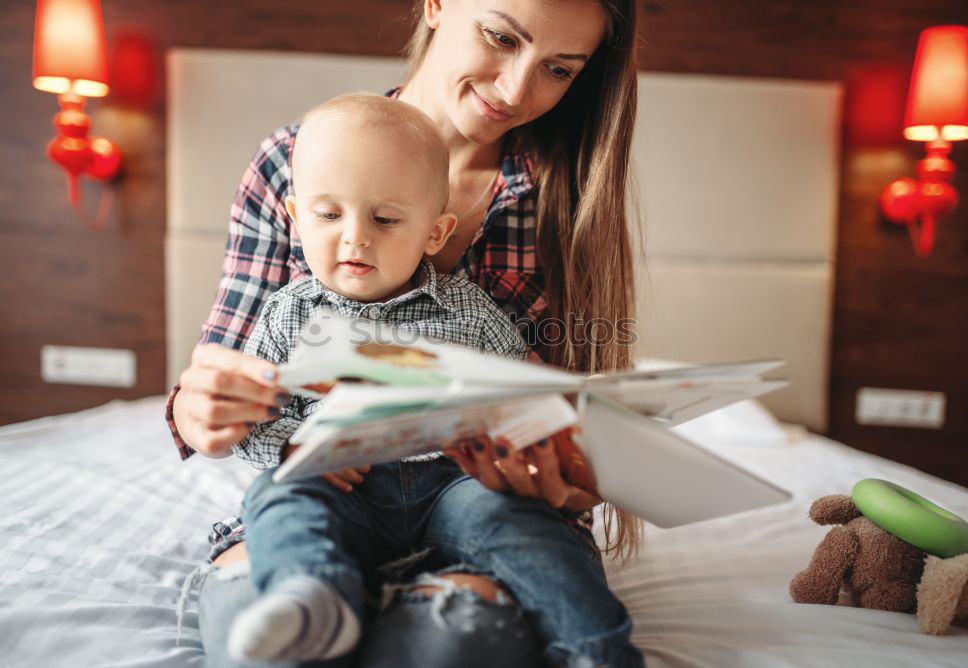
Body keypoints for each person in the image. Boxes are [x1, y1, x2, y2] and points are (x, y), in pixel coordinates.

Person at [169, 1, 645, 665]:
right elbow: (229, 380)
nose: (514, 88)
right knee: (265, 622)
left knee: (457, 634)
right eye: (501, 36)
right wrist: (206, 410)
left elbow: (546, 410)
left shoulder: (568, 197)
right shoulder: (297, 161)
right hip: (330, 490)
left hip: (465, 495)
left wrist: (558, 467)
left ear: (437, 230)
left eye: (558, 69)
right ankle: (317, 601)